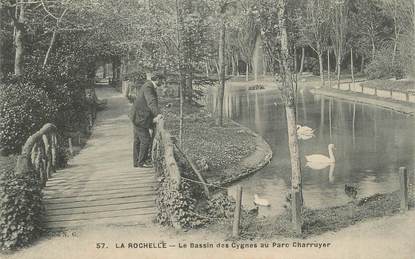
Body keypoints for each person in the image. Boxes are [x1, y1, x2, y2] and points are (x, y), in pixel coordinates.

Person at [130, 72, 164, 168]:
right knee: (145, 140)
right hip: (140, 118)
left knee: (137, 140)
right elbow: (151, 102)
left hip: (137, 116)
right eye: (162, 80)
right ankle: (142, 162)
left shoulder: (148, 85)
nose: (162, 82)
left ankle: (136, 162)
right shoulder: (149, 87)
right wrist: (158, 114)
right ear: (157, 79)